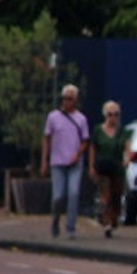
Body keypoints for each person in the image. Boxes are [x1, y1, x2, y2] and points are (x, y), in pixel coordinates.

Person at [43, 84, 91, 240]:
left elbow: (85, 140)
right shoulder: (53, 117)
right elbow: (47, 139)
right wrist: (44, 160)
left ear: (75, 100)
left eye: (70, 99)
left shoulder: (81, 119)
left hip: (74, 163)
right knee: (58, 196)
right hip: (57, 162)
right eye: (65, 98)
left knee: (73, 193)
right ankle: (55, 221)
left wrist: (78, 154)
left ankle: (70, 228)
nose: (67, 102)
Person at [91, 100, 128, 238]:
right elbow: (93, 148)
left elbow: (127, 146)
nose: (113, 118)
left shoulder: (122, 132)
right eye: (110, 114)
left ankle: (113, 218)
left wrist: (127, 159)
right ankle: (106, 223)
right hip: (103, 167)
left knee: (116, 195)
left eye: (116, 115)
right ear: (105, 115)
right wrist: (91, 166)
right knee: (105, 195)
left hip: (117, 168)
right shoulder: (98, 131)